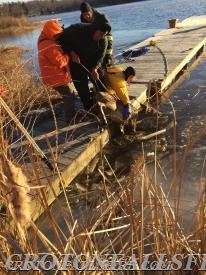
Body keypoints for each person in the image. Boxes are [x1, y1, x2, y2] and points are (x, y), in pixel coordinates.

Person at [57, 15, 111, 111]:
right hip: (76, 63)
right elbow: (60, 40)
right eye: (99, 34)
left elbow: (100, 57)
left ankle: (105, 105)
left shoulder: (103, 40)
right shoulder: (77, 29)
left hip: (91, 63)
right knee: (83, 90)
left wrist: (95, 68)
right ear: (94, 29)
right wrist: (71, 52)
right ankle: (89, 109)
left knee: (100, 81)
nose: (100, 37)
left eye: (103, 35)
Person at [37, 19, 75, 124]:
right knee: (69, 95)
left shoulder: (44, 41)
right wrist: (68, 55)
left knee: (69, 95)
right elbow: (60, 62)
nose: (57, 37)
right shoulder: (48, 45)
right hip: (56, 78)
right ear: (49, 33)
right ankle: (70, 119)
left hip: (53, 77)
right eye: (55, 35)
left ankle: (70, 116)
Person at [80, 1, 113, 67]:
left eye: (88, 14)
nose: (87, 16)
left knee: (106, 61)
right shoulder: (83, 18)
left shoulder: (102, 18)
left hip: (104, 38)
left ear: (91, 11)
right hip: (94, 40)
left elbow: (109, 39)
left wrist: (108, 55)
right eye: (84, 15)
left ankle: (109, 59)